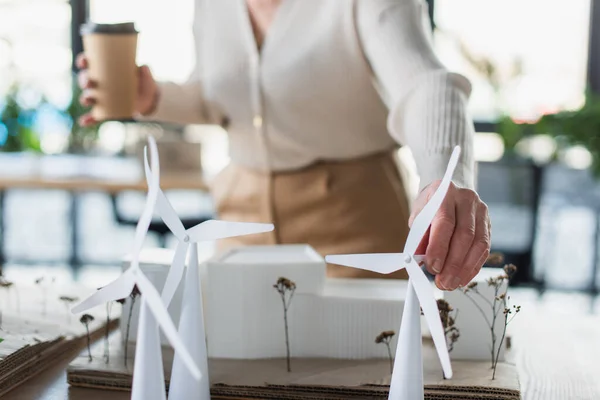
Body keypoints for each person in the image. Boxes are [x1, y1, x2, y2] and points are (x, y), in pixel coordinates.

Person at [77, 0, 491, 291]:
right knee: (238, 369)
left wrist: (443, 175)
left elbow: (425, 85)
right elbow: (220, 95)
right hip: (242, 217)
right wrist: (153, 100)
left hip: (353, 218)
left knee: (358, 368)